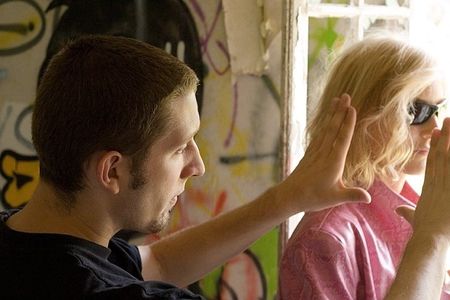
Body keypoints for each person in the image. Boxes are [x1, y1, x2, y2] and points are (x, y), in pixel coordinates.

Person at [0, 35, 371, 299]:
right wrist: (429, 238)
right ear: (112, 171)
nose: (197, 166)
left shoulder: (29, 243)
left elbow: (158, 262)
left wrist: (287, 199)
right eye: (179, 148)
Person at [279, 35, 450, 300]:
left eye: (437, 110)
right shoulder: (324, 241)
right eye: (416, 111)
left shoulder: (430, 209)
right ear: (361, 114)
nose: (434, 128)